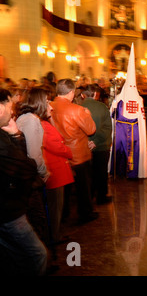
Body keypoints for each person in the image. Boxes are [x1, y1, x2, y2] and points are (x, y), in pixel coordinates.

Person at [0, 88, 48, 275]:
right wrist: (17, 136)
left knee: (13, 257)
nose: (13, 112)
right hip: (8, 212)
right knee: (38, 255)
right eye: (10, 105)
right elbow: (28, 167)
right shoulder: (3, 140)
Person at [50, 78, 98, 225]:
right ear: (71, 93)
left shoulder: (49, 106)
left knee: (63, 187)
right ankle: (85, 213)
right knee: (83, 186)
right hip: (78, 153)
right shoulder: (77, 110)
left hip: (58, 151)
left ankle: (63, 214)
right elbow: (91, 129)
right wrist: (87, 114)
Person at [37, 89, 75, 245]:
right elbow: (56, 146)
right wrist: (68, 150)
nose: (51, 107)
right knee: (55, 207)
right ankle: (55, 235)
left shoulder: (44, 122)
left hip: (55, 168)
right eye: (47, 104)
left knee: (57, 206)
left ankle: (56, 233)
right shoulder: (43, 125)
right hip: (55, 171)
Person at [15, 88, 51, 244]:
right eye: (47, 101)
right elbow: (34, 154)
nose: (50, 105)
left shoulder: (26, 117)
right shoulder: (31, 120)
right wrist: (44, 171)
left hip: (24, 174)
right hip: (30, 176)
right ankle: (39, 262)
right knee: (37, 218)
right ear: (40, 102)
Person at [110, 43, 147, 179]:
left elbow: (142, 117)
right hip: (125, 129)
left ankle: (131, 172)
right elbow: (112, 115)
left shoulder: (138, 100)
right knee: (120, 150)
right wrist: (113, 105)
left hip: (133, 129)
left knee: (132, 151)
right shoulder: (119, 99)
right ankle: (119, 171)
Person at [81, 84, 113, 204]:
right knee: (101, 172)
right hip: (102, 146)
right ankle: (101, 197)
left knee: (88, 173)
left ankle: (89, 195)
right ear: (95, 94)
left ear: (83, 95)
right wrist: (96, 141)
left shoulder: (78, 107)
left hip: (84, 146)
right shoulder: (102, 107)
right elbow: (107, 128)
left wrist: (88, 141)